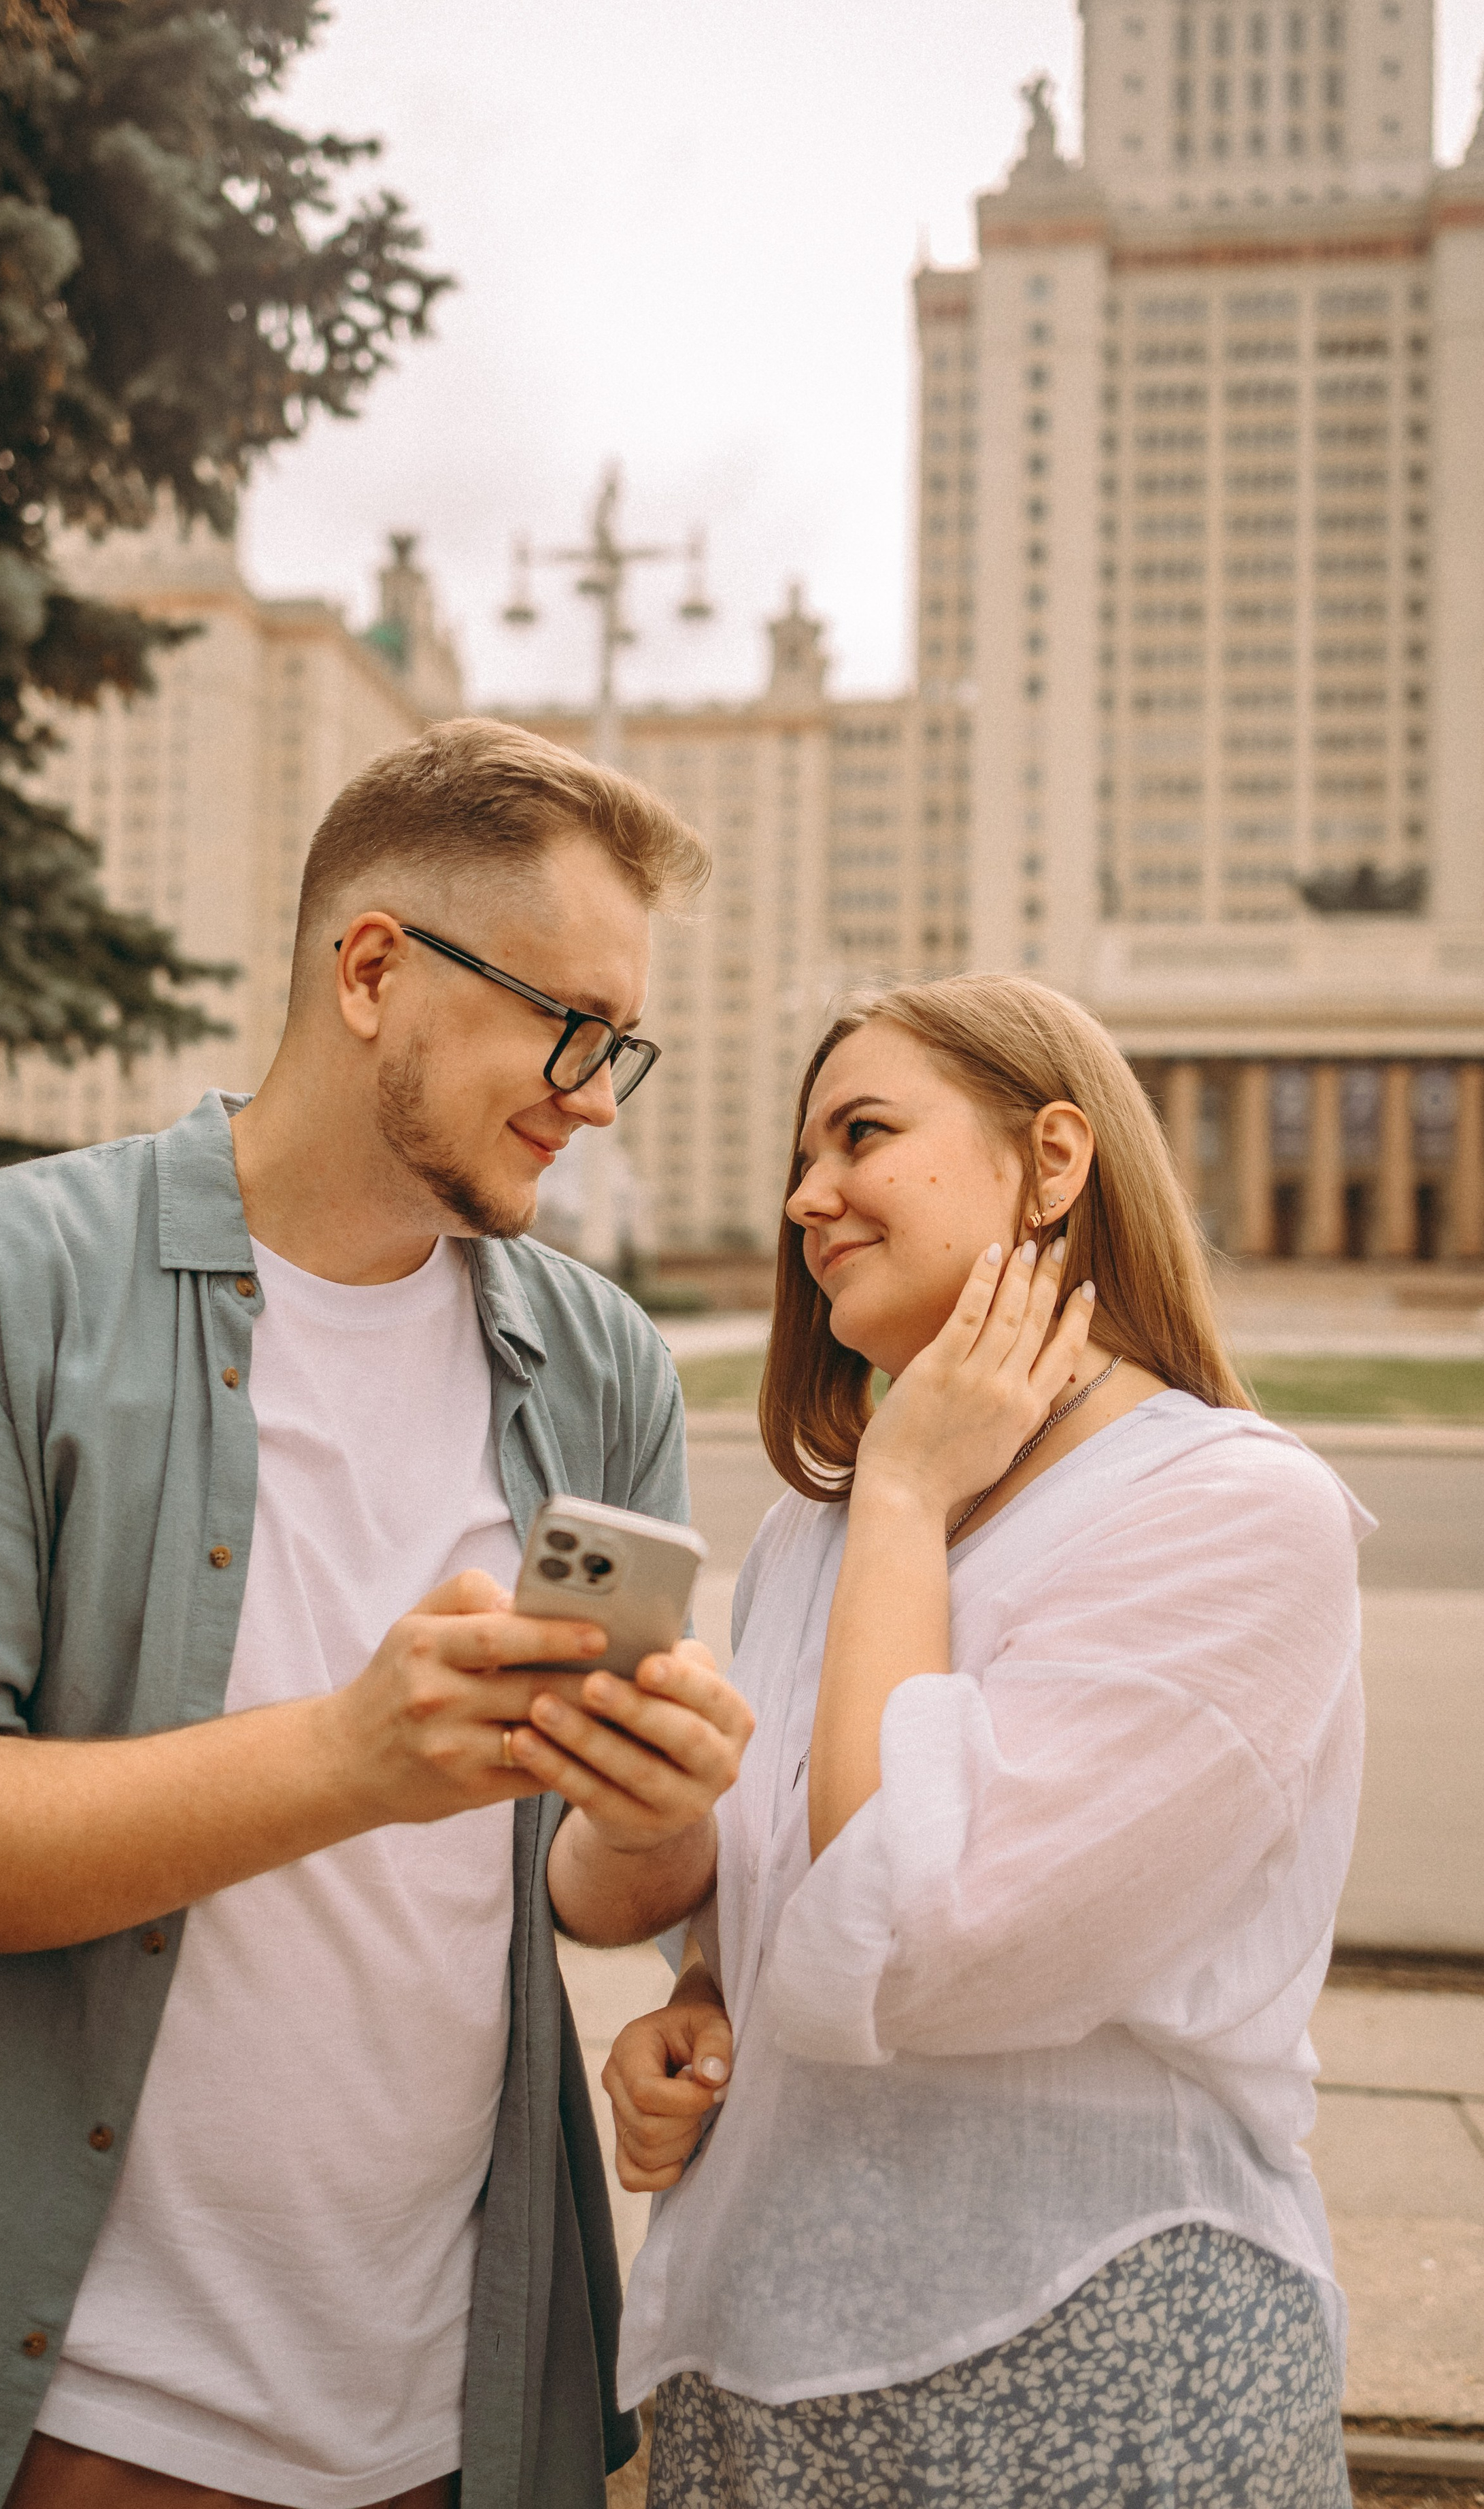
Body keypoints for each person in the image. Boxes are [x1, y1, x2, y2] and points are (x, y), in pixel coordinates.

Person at [0, 718, 754, 2509]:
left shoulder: (599, 1362)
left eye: (628, 1047)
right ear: (375, 968)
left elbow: (603, 1892)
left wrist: (663, 1811)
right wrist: (348, 1756)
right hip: (67, 2435)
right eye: (573, 1028)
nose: (598, 1096)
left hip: (467, 2421)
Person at [595, 974, 1364, 2509]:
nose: (807, 1198)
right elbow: (792, 1895)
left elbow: (910, 1941)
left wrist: (900, 1491)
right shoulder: (816, 1541)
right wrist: (698, 1999)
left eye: (859, 1135)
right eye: (797, 1163)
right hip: (756, 2376)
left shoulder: (1229, 1514)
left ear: (1053, 1159)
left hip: (1096, 2360)